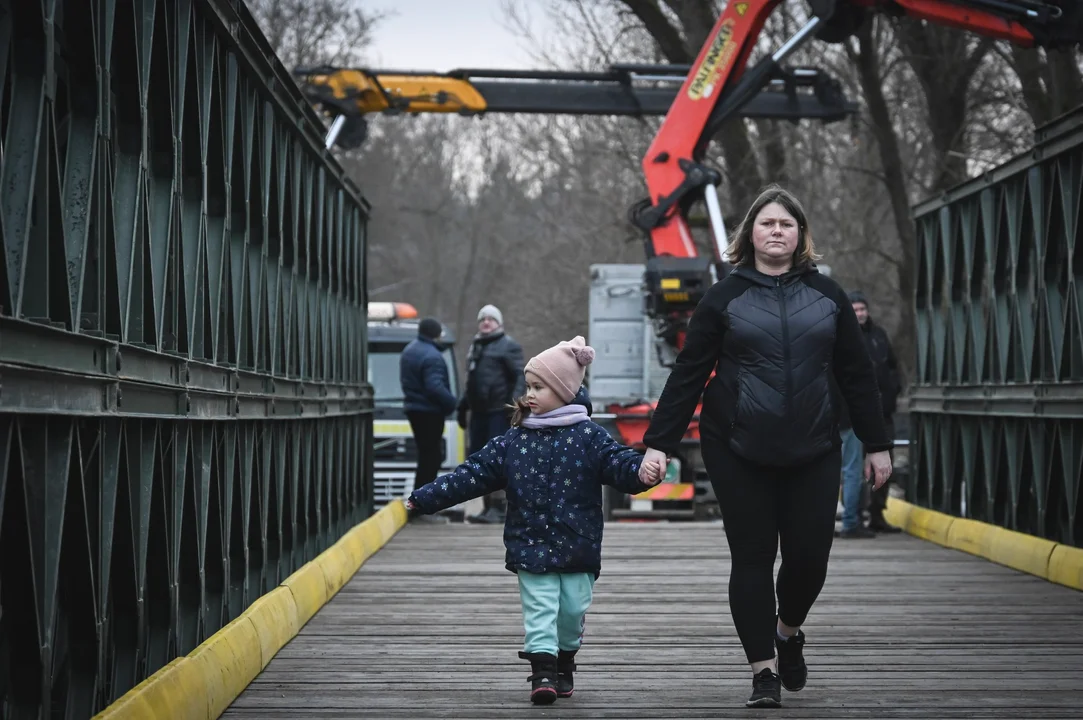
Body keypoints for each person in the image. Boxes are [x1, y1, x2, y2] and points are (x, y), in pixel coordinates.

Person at [638, 184, 893, 709]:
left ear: (800, 237)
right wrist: (658, 444)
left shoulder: (828, 295)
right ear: (749, 233)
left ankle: (787, 630)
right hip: (737, 446)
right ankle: (762, 672)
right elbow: (689, 373)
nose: (776, 231)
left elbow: (857, 374)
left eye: (786, 224)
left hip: (814, 445)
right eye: (766, 223)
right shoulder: (724, 297)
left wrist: (876, 443)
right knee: (752, 557)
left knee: (809, 560)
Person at [405, 337, 663, 705]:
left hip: (578, 544)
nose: (530, 394)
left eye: (539, 386)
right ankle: (542, 672)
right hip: (531, 544)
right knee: (541, 608)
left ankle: (565, 660)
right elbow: (472, 474)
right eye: (529, 386)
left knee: (572, 612)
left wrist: (642, 472)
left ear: (564, 391)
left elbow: (619, 464)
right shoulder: (515, 440)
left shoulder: (590, 437)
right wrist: (425, 497)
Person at [456, 304, 526, 524]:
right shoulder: (475, 347)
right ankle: (487, 507)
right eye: (483, 319)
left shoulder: (508, 346)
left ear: (499, 323)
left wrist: (512, 407)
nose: (486, 322)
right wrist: (463, 406)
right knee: (481, 460)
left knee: (499, 460)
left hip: (498, 413)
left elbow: (520, 377)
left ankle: (499, 506)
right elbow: (472, 384)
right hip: (478, 414)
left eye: (491, 319)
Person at [848, 290, 903, 534]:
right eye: (855, 310)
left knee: (885, 465)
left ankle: (878, 513)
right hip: (856, 414)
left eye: (862, 309)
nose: (860, 314)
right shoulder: (845, 336)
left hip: (884, 411)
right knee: (857, 466)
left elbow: (892, 367)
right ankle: (857, 515)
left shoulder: (879, 335)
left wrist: (892, 393)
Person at [400, 318, 458, 501]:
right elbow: (434, 387)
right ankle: (423, 503)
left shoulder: (409, 350)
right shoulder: (432, 356)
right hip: (429, 412)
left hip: (414, 409)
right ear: (436, 334)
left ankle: (418, 501)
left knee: (425, 456)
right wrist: (452, 403)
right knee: (431, 459)